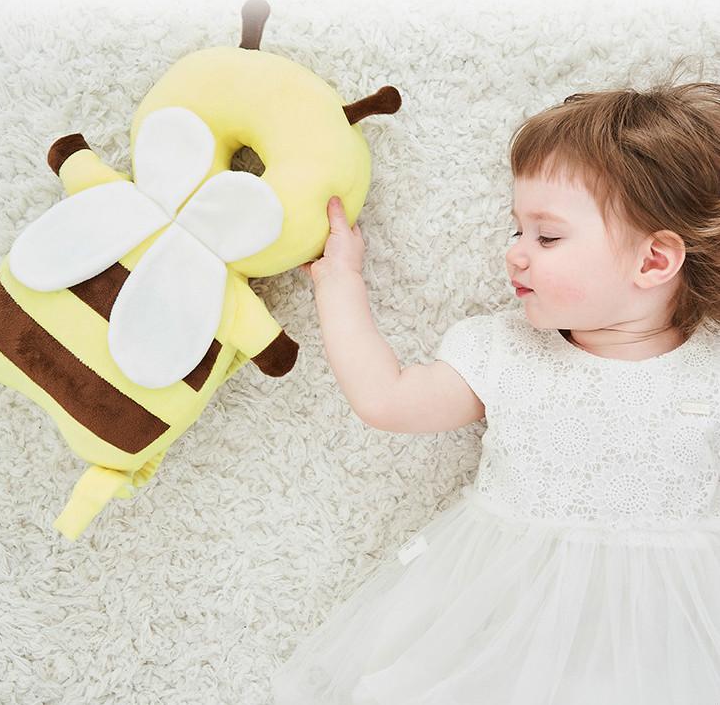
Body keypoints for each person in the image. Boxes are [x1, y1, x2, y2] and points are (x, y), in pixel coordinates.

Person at [271, 79, 720, 704]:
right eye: (517, 231)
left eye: (547, 237)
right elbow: (388, 398)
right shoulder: (508, 352)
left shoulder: (710, 370)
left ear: (653, 262)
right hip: (504, 623)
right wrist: (338, 280)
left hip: (668, 636)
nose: (515, 255)